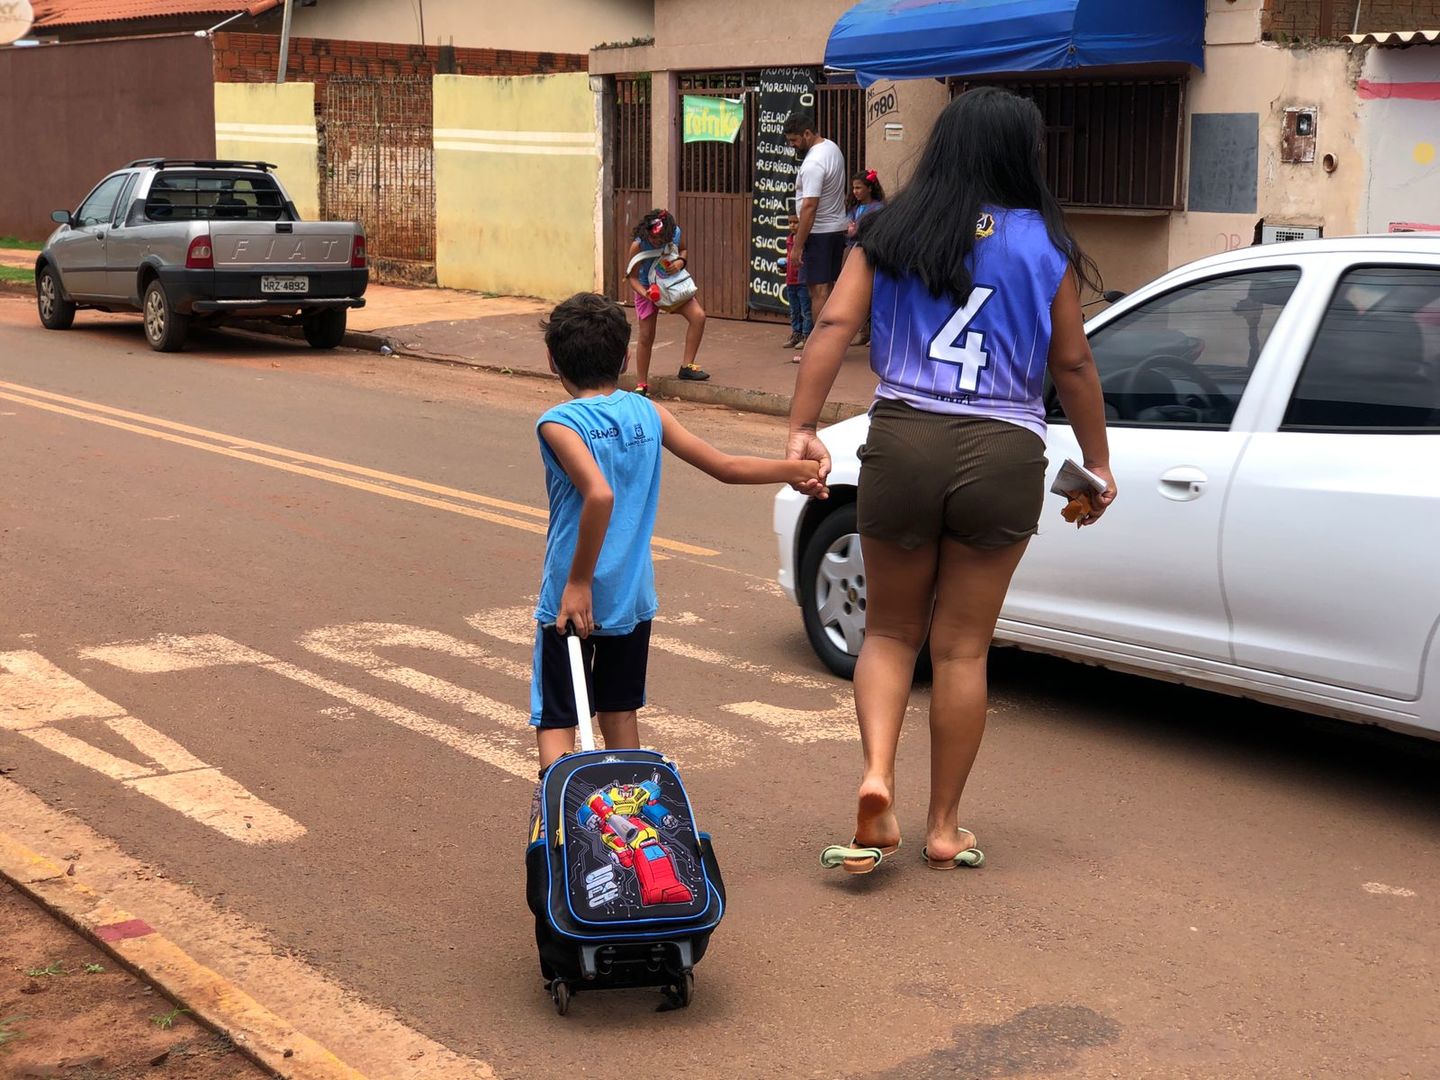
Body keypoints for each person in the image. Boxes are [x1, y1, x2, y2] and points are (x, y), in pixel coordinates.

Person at [786, 87, 1117, 875]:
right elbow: (1072, 364)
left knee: (892, 632)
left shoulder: (891, 228)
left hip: (903, 438)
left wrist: (801, 426)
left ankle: (875, 778)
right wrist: (1097, 467)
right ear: (1020, 155)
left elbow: (833, 324)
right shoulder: (1046, 246)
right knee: (963, 650)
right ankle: (943, 827)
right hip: (1005, 448)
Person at [532, 293, 822, 770]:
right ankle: (628, 834)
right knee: (620, 713)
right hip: (630, 594)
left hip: (571, 596)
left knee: (559, 717)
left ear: (551, 361)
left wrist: (579, 583)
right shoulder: (649, 414)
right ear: (625, 358)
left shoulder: (558, 423)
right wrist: (793, 470)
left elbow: (598, 495)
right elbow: (725, 467)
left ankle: (563, 834)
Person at [625, 209, 709, 396]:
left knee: (699, 317)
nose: (657, 243)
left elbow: (684, 249)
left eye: (662, 240)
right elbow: (631, 277)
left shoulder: (676, 234)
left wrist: (680, 261)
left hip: (671, 287)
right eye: (654, 240)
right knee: (646, 335)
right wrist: (645, 294)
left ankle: (687, 367)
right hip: (647, 289)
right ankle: (642, 384)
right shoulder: (638, 245)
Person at [783, 112, 848, 321]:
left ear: (807, 133)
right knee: (828, 288)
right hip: (836, 229)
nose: (792, 145)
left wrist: (798, 246)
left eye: (794, 140)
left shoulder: (813, 162)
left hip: (818, 232)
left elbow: (810, 206)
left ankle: (819, 346)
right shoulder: (832, 148)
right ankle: (829, 344)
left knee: (818, 291)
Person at [846, 169, 886, 347]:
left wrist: (856, 231)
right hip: (853, 251)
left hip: (870, 251)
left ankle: (875, 333)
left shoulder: (878, 208)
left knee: (873, 293)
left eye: (859, 188)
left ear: (870, 188)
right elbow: (847, 227)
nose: (855, 192)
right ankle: (862, 331)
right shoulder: (853, 209)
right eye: (854, 188)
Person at [781, 213, 813, 351]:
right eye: (790, 222)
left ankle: (807, 336)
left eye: (796, 222)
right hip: (790, 281)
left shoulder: (805, 241)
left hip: (802, 281)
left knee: (806, 310)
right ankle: (796, 334)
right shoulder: (789, 239)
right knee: (794, 310)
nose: (792, 225)